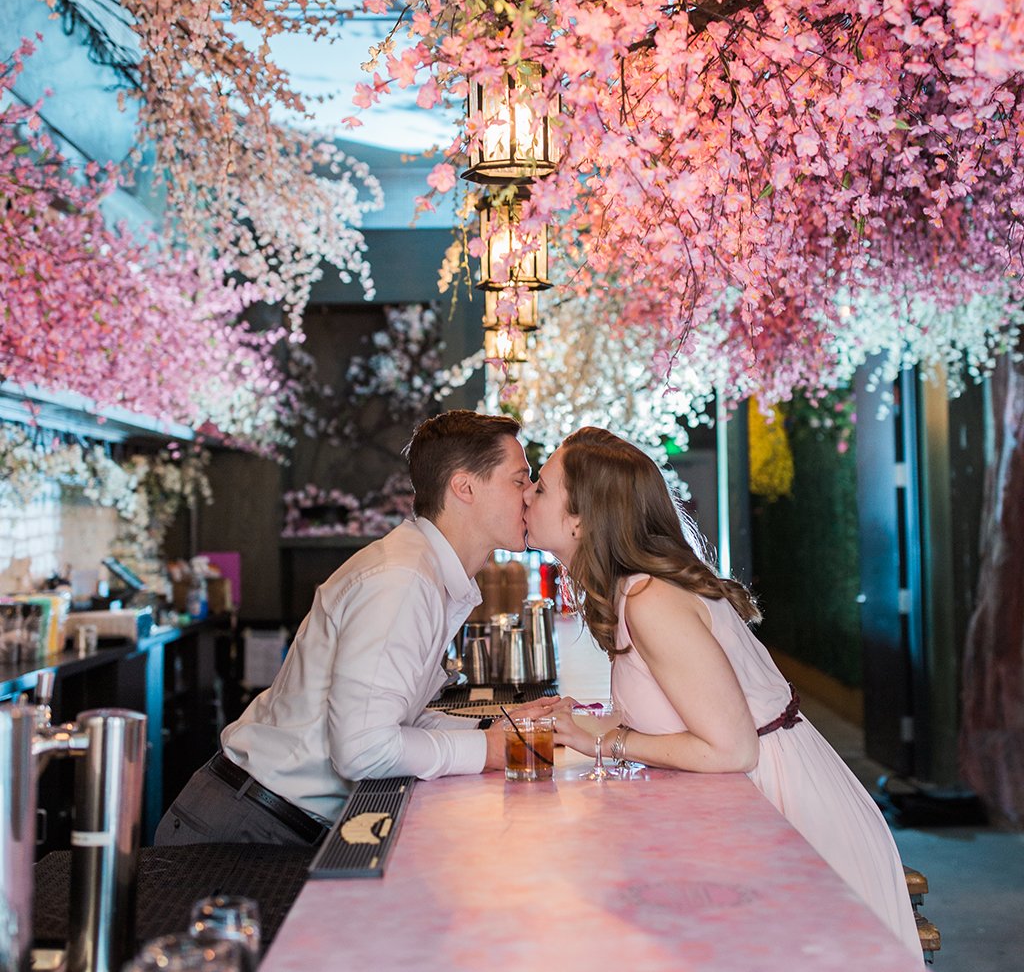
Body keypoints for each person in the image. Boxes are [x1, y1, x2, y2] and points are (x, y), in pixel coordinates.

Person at [524, 426, 921, 958]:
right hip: (777, 791)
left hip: (786, 811)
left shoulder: (650, 600)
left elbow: (733, 748)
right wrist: (603, 723)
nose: (528, 494)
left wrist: (607, 742)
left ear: (582, 517)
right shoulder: (637, 590)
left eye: (542, 487)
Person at [156, 410, 554, 845]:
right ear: (464, 487)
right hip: (244, 832)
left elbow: (393, 719)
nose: (531, 496)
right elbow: (364, 749)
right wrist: (489, 751)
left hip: (264, 816)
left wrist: (491, 730)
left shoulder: (423, 569)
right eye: (520, 480)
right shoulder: (403, 580)